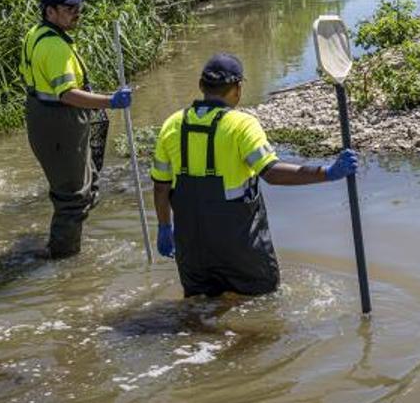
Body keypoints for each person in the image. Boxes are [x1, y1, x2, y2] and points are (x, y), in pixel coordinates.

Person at [149, 53, 358, 297]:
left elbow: (161, 187)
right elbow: (272, 173)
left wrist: (164, 227)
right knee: (263, 304)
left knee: (198, 310)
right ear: (237, 89)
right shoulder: (242, 125)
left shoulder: (172, 124)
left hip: (192, 247)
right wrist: (327, 172)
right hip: (239, 245)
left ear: (201, 86)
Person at [20, 0, 132, 258]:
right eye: (70, 8)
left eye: (78, 6)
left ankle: (63, 241)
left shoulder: (37, 33)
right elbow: (68, 94)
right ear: (50, 12)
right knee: (73, 197)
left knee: (86, 183)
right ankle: (63, 260)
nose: (77, 12)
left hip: (43, 116)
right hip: (59, 122)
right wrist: (111, 101)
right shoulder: (54, 47)